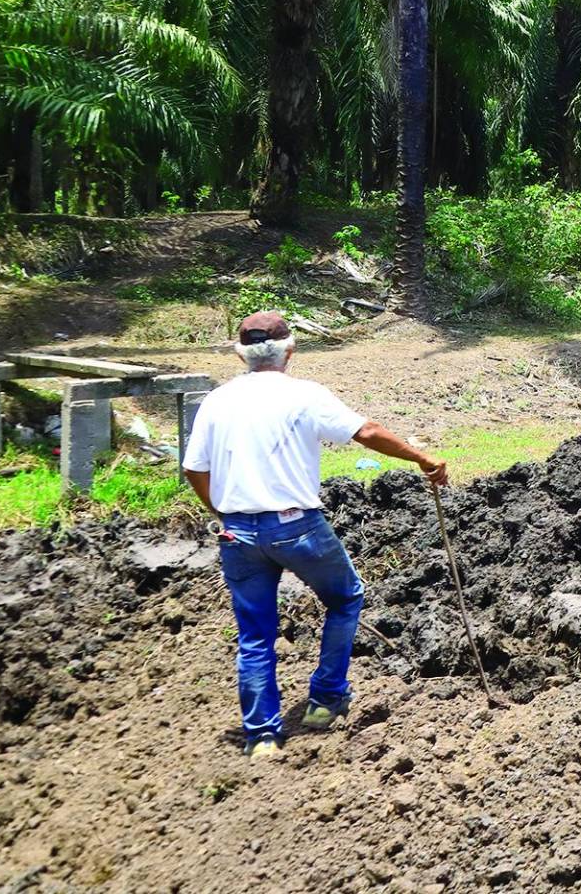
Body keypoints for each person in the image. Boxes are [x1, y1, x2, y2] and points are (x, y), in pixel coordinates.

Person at [182, 311, 448, 758]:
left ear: (239, 353)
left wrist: (222, 513)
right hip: (296, 525)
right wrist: (421, 458)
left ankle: (262, 735)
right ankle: (325, 700)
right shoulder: (303, 395)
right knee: (345, 598)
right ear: (291, 349)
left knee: (254, 634)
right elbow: (366, 432)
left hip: (238, 534)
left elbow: (194, 468)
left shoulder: (217, 400)